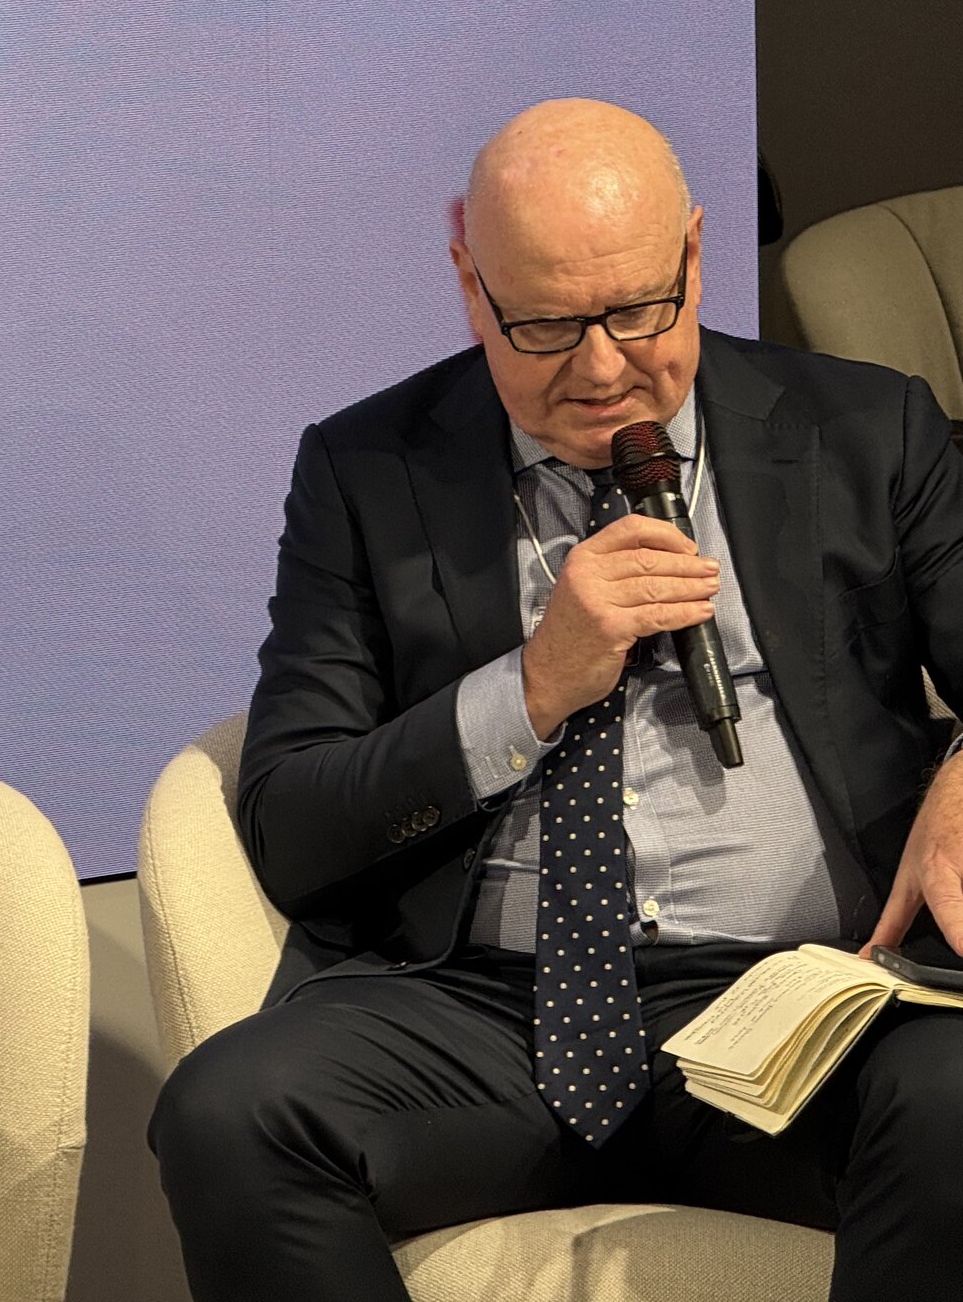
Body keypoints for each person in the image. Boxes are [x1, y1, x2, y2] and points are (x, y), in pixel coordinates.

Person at [150, 100, 963, 1301]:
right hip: (490, 1011)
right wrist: (531, 688)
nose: (601, 368)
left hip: (803, 998)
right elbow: (293, 822)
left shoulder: (865, 428)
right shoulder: (366, 470)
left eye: (639, 311)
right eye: (542, 326)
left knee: (955, 1094)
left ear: (695, 255)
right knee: (229, 1112)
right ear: (468, 285)